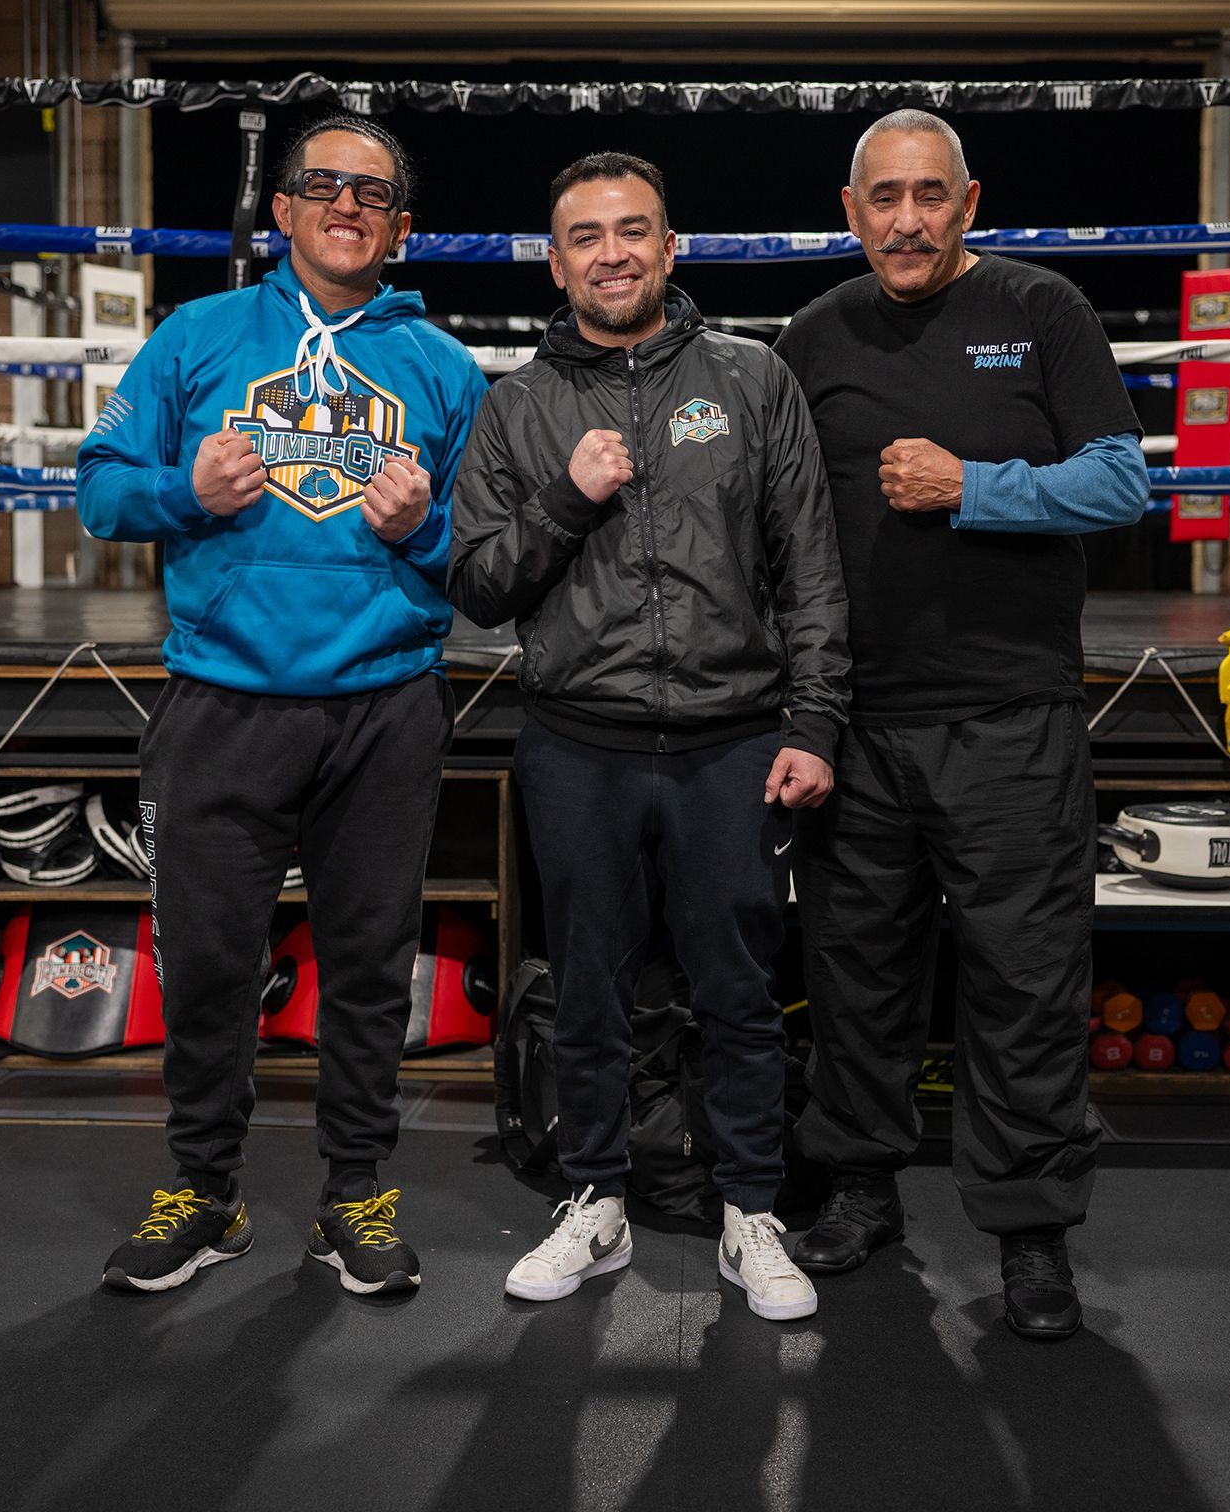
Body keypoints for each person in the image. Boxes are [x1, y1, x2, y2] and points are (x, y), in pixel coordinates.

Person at [77, 114, 486, 1296]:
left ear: (401, 229)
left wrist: (429, 529)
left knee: (369, 968)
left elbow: (487, 558)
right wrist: (182, 488)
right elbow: (101, 493)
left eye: (372, 192)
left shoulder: (445, 369)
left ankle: (354, 1193)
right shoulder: (197, 335)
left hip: (385, 708)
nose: (346, 204)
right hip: (222, 705)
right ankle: (203, 1196)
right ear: (286, 212)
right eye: (323, 183)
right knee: (207, 966)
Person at [449, 151, 849, 1323]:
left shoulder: (752, 378)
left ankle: (749, 1210)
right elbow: (475, 583)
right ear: (557, 259)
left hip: (733, 738)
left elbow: (812, 569)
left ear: (670, 248)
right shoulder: (518, 405)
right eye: (586, 234)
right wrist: (566, 498)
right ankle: (594, 1199)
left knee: (736, 987)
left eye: (635, 231)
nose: (612, 252)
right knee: (587, 987)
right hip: (579, 742)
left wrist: (816, 718)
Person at [775, 110, 1149, 1340]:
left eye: (931, 195)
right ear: (850, 210)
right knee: (857, 974)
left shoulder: (1044, 312)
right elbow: (779, 523)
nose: (908, 220)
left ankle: (1032, 1236)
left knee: (1026, 984)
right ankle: (863, 1189)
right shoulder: (817, 336)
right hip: (863, 722)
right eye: (884, 198)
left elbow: (1120, 480)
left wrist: (974, 487)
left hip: (1009, 717)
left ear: (970, 202)